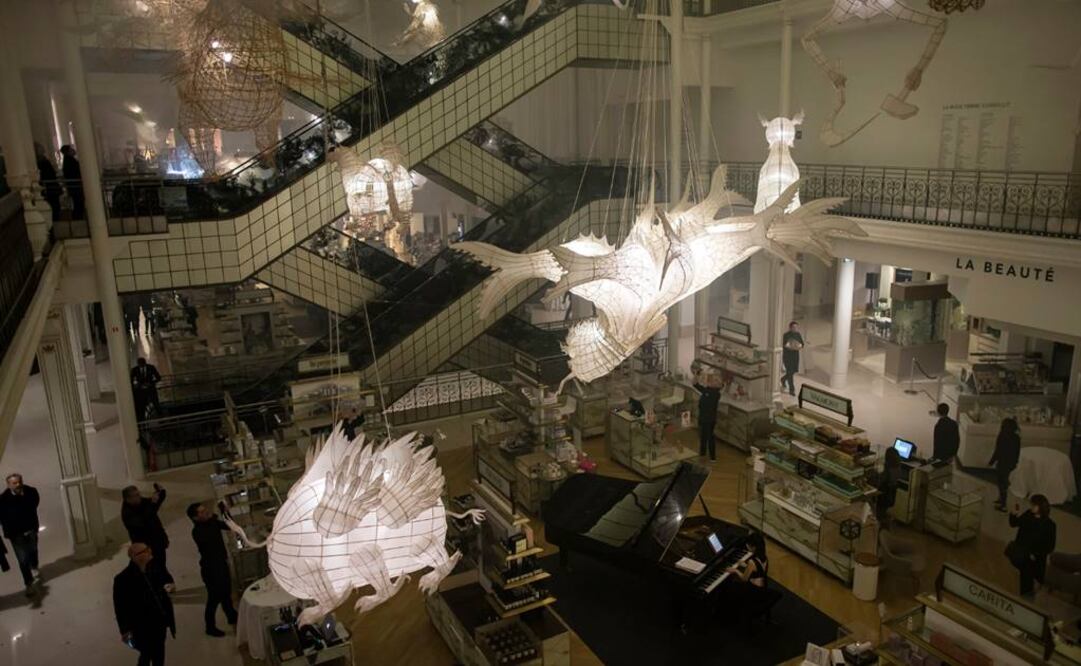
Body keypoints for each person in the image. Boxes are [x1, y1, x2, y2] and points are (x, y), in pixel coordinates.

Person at [113, 542, 176, 666]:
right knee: (148, 653)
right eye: (146, 550)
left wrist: (170, 585)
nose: (150, 551)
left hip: (159, 621)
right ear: (136, 557)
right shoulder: (122, 580)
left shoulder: (155, 567)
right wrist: (125, 631)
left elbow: (167, 578)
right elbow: (120, 608)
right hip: (142, 626)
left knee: (159, 652)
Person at [186, 503, 238, 637]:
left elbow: (228, 526)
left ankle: (231, 615)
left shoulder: (211, 522)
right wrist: (214, 518)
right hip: (211, 569)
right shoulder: (198, 532)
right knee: (214, 598)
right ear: (195, 518)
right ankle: (210, 627)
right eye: (202, 512)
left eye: (205, 509)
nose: (207, 512)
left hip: (221, 564)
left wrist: (225, 513)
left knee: (226, 592)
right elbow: (210, 538)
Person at [1007, 494, 1056, 598]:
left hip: (1035, 557)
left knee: (1027, 573)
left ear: (1040, 507)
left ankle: (1026, 596)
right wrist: (1013, 514)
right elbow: (1014, 523)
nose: (1031, 507)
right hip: (1022, 553)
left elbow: (1050, 546)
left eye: (1034, 505)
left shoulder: (1049, 525)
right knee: (1026, 572)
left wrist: (1035, 554)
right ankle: (1027, 597)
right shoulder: (1028, 515)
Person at [0, 474, 42, 596]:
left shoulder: (31, 492)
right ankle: (28, 584)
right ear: (8, 485)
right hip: (16, 535)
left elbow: (35, 504)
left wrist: (23, 498)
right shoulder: (2, 500)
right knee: (22, 559)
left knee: (33, 549)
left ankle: (34, 565)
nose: (18, 485)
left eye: (19, 482)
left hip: (31, 529)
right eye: (14, 483)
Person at [122, 483, 171, 577]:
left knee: (161, 564)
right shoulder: (127, 513)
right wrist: (152, 504)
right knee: (152, 569)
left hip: (157, 540)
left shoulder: (140, 502)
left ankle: (167, 583)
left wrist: (161, 492)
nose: (139, 497)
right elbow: (144, 520)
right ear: (128, 499)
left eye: (138, 494)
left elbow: (153, 505)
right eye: (135, 495)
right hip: (145, 546)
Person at [990, 417, 1021, 511]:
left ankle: (1003, 504)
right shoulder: (1016, 438)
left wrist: (992, 461)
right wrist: (1015, 463)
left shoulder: (1002, 436)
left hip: (1002, 462)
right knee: (1004, 482)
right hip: (1010, 463)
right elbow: (1017, 452)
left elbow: (998, 450)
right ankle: (1001, 500)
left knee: (1001, 483)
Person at [692, 367, 721, 462]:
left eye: (714, 381)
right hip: (702, 417)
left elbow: (718, 384)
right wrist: (696, 374)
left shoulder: (716, 393)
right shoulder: (706, 390)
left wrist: (708, 377)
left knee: (710, 437)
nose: (712, 381)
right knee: (702, 436)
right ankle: (702, 453)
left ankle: (713, 457)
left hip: (710, 419)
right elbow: (695, 384)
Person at [876, 447, 904, 525]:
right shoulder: (898, 467)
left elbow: (880, 482)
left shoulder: (887, 470)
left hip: (883, 496)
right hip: (891, 496)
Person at [35, 143, 62, 221]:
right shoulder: (43, 162)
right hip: (50, 188)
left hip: (50, 188)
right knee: (54, 207)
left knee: (54, 207)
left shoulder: (42, 161)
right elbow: (49, 174)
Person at [131, 357, 162, 421]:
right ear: (138, 364)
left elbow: (158, 378)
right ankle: (143, 421)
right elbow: (131, 380)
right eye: (140, 365)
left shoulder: (151, 367)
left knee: (156, 404)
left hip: (151, 389)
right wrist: (137, 385)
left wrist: (151, 383)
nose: (141, 366)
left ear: (145, 363)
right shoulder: (135, 370)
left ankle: (161, 418)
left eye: (142, 365)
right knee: (142, 407)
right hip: (141, 391)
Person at [60, 144, 84, 220]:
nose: (74, 150)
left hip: (74, 187)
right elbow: (76, 172)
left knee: (78, 204)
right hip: (76, 187)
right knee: (78, 204)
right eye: (71, 149)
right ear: (68, 152)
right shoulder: (70, 161)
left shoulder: (68, 160)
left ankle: (78, 218)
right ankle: (78, 219)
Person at [781, 321, 804, 396]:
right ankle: (792, 390)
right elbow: (785, 344)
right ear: (790, 327)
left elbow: (802, 343)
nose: (795, 329)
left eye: (796, 327)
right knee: (790, 373)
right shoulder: (786, 335)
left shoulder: (798, 334)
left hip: (795, 356)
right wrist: (791, 346)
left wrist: (799, 346)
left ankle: (783, 379)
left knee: (792, 371)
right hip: (788, 357)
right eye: (794, 327)